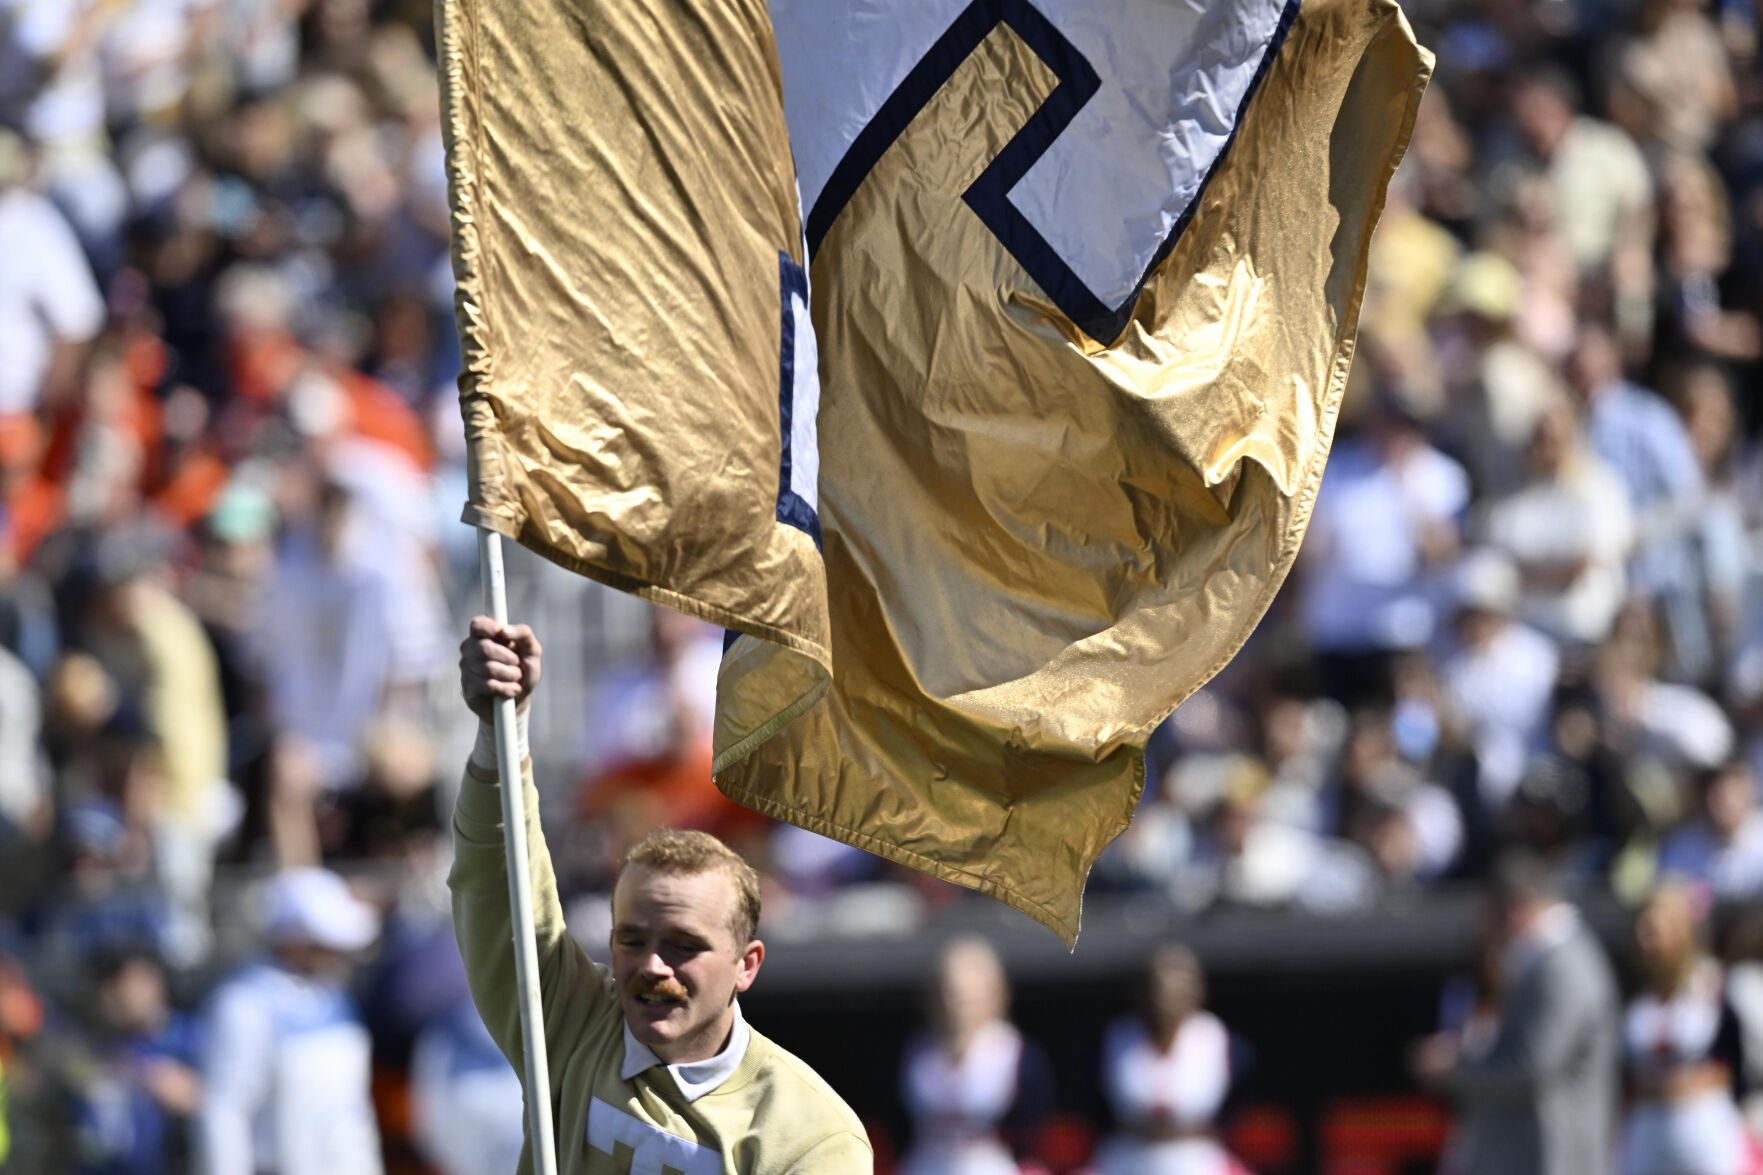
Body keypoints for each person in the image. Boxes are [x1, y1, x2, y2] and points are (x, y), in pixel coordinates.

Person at [453, 616, 870, 1174]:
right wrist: (501, 726)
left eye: (682, 945)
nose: (652, 964)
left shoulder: (811, 1136)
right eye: (631, 938)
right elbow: (494, 885)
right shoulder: (575, 1023)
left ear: (747, 965)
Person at [1410, 853, 1619, 1175]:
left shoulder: (1562, 966)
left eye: (1488, 917)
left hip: (1555, 1157)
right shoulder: (1548, 962)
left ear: (1514, 908)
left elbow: (1530, 1063)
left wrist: (1455, 1066)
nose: (1484, 931)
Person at [196, 867, 383, 1175]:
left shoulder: (334, 994)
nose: (339, 954)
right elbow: (224, 1113)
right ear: (293, 941)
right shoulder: (243, 1004)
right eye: (325, 943)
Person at [897, 936, 1055, 1175]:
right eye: (950, 992)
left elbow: (1035, 1125)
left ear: (996, 993)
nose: (957, 1004)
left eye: (968, 994)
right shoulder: (917, 1053)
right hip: (926, 1164)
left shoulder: (1016, 1054)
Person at [1620, 882, 1747, 1175]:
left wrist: (1686, 1083)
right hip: (1647, 1131)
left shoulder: (1713, 986)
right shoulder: (1632, 989)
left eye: (1655, 926)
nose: (1646, 936)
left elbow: (1736, 1063)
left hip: (1703, 1129)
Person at [1094, 943, 1243, 1175]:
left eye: (1176, 981)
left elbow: (1244, 1104)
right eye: (1155, 984)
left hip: (1198, 1159)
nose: (1164, 991)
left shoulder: (1220, 1040)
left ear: (1197, 989)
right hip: (1127, 1158)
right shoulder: (1116, 1037)